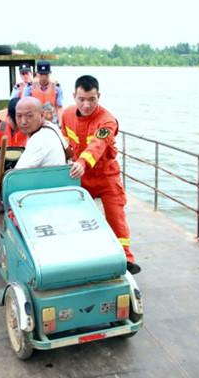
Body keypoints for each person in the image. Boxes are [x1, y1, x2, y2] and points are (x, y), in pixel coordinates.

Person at [61, 75, 140, 274]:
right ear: (74, 97)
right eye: (81, 99)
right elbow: (64, 141)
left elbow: (98, 144)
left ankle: (125, 259)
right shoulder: (67, 114)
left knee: (116, 216)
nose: (86, 105)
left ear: (99, 96)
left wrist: (83, 161)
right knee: (74, 215)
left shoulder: (107, 121)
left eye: (92, 99)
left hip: (106, 176)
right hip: (79, 175)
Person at [23, 61, 64, 126]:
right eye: (41, 74)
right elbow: (25, 106)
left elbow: (60, 107)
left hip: (52, 121)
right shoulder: (30, 87)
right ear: (37, 74)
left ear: (50, 74)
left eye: (46, 74)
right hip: (35, 122)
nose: (43, 77)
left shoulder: (57, 87)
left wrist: (60, 124)